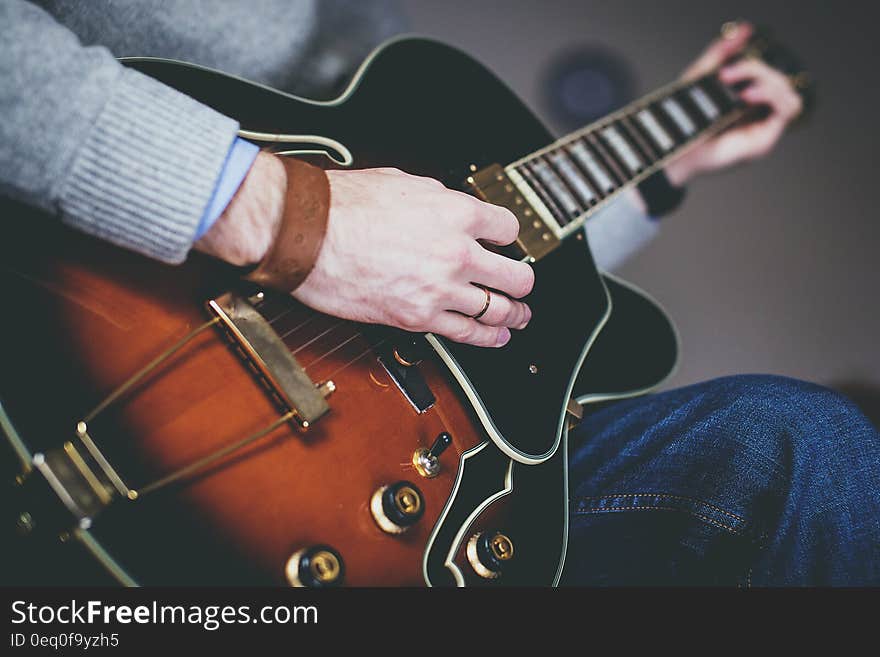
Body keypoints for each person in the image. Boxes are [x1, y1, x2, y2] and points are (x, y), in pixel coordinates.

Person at [2, 1, 877, 585]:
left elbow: (465, 253)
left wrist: (666, 162)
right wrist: (295, 221)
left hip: (403, 432)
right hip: (115, 310)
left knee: (811, 444)